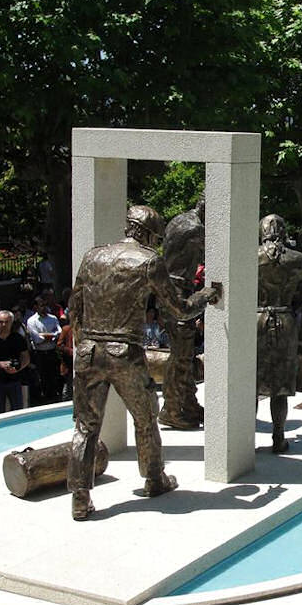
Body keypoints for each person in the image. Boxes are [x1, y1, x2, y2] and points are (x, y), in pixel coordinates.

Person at [67, 205, 220, 521]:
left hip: (87, 352)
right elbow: (180, 308)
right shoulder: (149, 261)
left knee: (85, 426)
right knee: (146, 417)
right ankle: (153, 479)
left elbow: (74, 308)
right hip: (124, 352)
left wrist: (83, 343)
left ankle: (80, 497)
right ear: (150, 234)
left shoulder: (92, 256)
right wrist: (207, 295)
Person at [256, 214, 302, 452]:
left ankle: (243, 441)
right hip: (286, 322)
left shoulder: (251, 257)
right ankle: (278, 438)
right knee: (280, 388)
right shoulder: (297, 260)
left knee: (250, 384)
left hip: (255, 321)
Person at [159, 198, 206, 429]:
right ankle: (170, 409)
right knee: (181, 355)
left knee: (184, 354)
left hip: (171, 288)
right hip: (178, 292)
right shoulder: (196, 228)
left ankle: (188, 403)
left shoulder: (179, 219)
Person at [0, 310, 30, 413]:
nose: (3, 324)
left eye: (6, 322)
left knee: (18, 410)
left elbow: (26, 358)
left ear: (11, 322)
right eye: (1, 322)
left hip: (14, 380)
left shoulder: (17, 338)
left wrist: (18, 368)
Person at [26, 296, 62, 402]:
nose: (44, 308)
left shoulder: (53, 318)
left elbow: (59, 333)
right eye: (41, 306)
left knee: (54, 377)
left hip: (52, 352)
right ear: (36, 307)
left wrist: (46, 336)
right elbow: (37, 339)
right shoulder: (31, 321)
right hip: (40, 354)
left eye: (45, 305)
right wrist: (50, 336)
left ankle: (54, 398)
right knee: (42, 379)